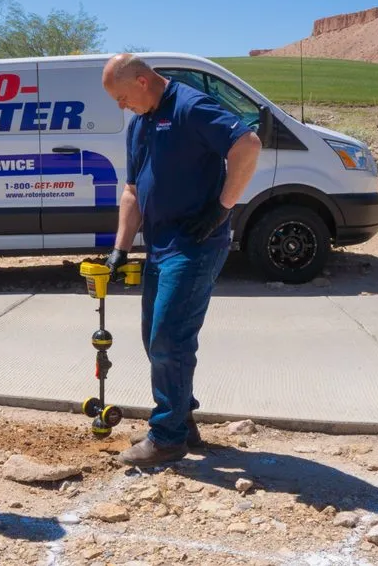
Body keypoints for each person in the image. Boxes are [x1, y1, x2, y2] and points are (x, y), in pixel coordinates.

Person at [101, 53, 262, 468]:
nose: (120, 106)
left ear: (141, 80)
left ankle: (168, 438)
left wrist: (223, 207)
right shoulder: (140, 123)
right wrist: (120, 249)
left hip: (195, 243)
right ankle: (181, 419)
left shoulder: (190, 106)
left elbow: (247, 144)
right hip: (159, 245)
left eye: (121, 97)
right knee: (154, 336)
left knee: (169, 337)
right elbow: (132, 192)